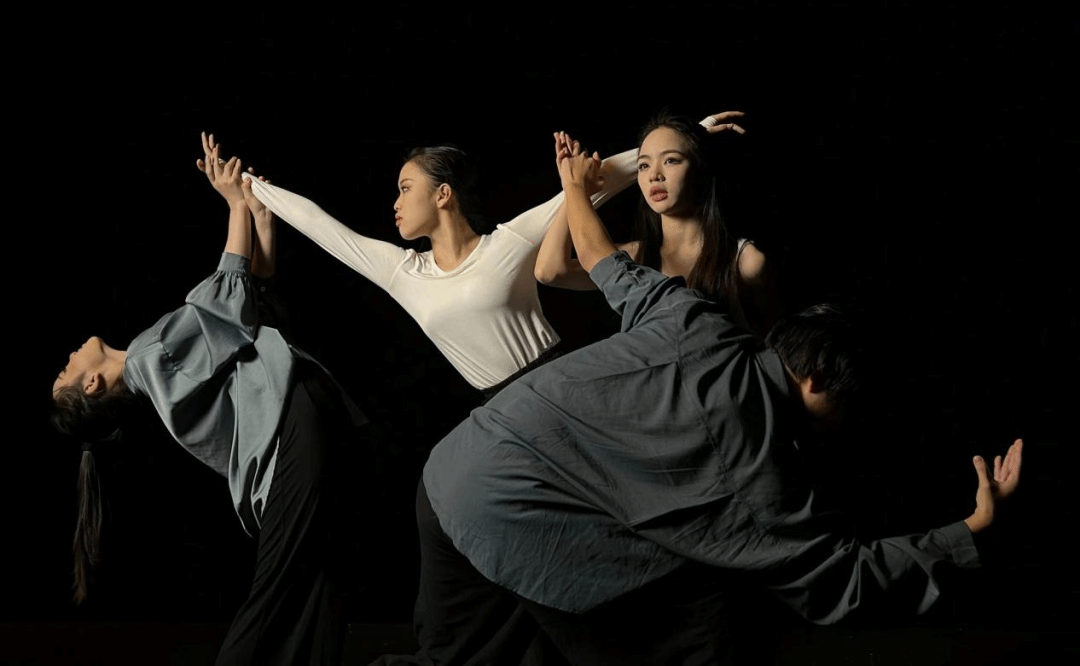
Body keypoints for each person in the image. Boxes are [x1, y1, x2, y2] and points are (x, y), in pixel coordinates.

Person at [373, 148, 1023, 665]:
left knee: (454, 658)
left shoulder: (688, 313)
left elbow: (601, 260)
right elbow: (842, 579)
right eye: (847, 406)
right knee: (703, 621)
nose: (843, 423)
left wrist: (574, 188)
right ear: (819, 378)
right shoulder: (757, 473)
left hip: (446, 474)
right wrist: (970, 529)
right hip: (507, 508)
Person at [50, 133, 369, 665]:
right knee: (286, 594)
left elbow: (249, 304)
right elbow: (225, 304)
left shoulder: (150, 361)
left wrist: (259, 219)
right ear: (90, 386)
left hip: (303, 413)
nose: (66, 358)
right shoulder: (147, 361)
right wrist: (235, 204)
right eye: (65, 372)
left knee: (315, 587)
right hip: (295, 429)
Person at [243, 142, 639, 398]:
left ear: (443, 194)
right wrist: (249, 186)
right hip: (500, 407)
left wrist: (664, 148)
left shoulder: (507, 243)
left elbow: (592, 186)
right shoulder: (402, 272)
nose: (395, 203)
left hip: (561, 382)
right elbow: (320, 226)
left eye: (405, 188)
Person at [535, 110, 781, 339]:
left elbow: (774, 343)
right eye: (643, 165)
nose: (654, 175)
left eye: (671, 160)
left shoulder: (744, 261)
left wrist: (575, 185)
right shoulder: (635, 258)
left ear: (701, 170)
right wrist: (574, 186)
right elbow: (550, 270)